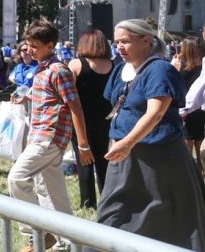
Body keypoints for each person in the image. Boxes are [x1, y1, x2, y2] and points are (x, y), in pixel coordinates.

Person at [84, 20, 205, 251]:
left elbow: (156, 113)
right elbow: (117, 110)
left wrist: (127, 142)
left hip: (160, 157)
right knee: (113, 211)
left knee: (168, 215)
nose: (119, 47)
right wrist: (118, 141)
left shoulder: (160, 69)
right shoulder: (120, 69)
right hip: (123, 155)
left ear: (146, 41)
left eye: (125, 41)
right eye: (116, 42)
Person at [8, 20, 94, 252]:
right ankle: (68, 242)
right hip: (39, 135)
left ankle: (38, 232)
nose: (29, 51)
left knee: (16, 179)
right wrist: (27, 98)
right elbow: (48, 101)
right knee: (52, 194)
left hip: (50, 136)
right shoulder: (41, 69)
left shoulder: (59, 70)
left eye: (34, 46)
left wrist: (83, 145)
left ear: (50, 45)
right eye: (27, 46)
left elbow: (75, 107)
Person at [67, 30, 114, 210]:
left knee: (84, 161)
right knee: (104, 160)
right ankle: (106, 199)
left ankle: (88, 203)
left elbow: (68, 94)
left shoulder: (76, 64)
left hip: (81, 118)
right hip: (105, 119)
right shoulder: (113, 64)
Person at [175, 38, 205, 170]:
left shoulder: (181, 66)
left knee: (187, 142)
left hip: (186, 107)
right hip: (201, 107)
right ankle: (201, 168)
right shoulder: (203, 66)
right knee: (200, 142)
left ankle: (193, 172)